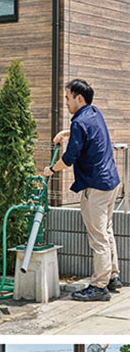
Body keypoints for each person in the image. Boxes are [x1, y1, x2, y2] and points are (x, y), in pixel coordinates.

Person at [45, 79, 122, 301]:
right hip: (111, 183)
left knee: (97, 237)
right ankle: (112, 276)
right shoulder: (94, 113)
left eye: (68, 97)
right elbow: (85, 131)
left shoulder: (79, 122)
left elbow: (69, 158)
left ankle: (99, 287)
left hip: (95, 187)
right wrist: (66, 132)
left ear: (80, 98)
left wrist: (51, 170)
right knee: (106, 231)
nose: (66, 102)